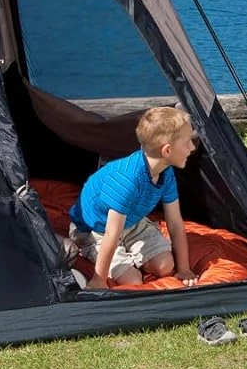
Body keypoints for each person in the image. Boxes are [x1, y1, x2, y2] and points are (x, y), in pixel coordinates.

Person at [69, 106, 199, 290]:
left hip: (132, 223)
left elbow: (175, 222)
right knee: (132, 281)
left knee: (166, 266)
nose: (192, 147)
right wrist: (98, 280)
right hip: (95, 230)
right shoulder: (126, 180)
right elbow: (111, 234)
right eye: (187, 142)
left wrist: (184, 269)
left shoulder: (165, 172)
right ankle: (100, 258)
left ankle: (134, 254)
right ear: (167, 151)